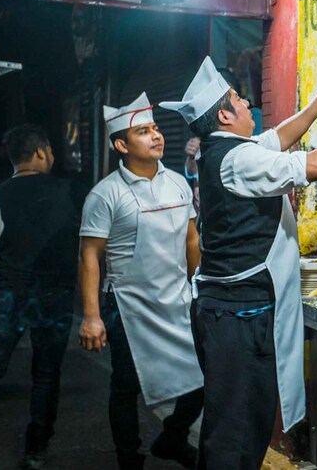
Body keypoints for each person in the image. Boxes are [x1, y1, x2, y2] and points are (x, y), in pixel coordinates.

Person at [159, 56, 317, 469]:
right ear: (223, 115)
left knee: (239, 422)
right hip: (238, 317)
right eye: (237, 98)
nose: (246, 101)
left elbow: (277, 138)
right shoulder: (238, 160)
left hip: (230, 311)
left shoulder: (227, 149)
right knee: (234, 432)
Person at [78, 93, 203, 470]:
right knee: (127, 386)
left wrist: (200, 286)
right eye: (144, 131)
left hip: (178, 300)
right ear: (121, 144)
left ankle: (172, 437)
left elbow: (191, 239)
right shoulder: (105, 195)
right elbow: (88, 257)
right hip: (128, 307)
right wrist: (91, 316)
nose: (157, 136)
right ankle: (129, 458)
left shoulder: (179, 184)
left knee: (200, 377)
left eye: (156, 129)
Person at [0, 124, 85, 469]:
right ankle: (37, 448)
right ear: (43, 152)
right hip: (55, 294)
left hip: (7, 293)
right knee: (46, 374)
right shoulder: (70, 191)